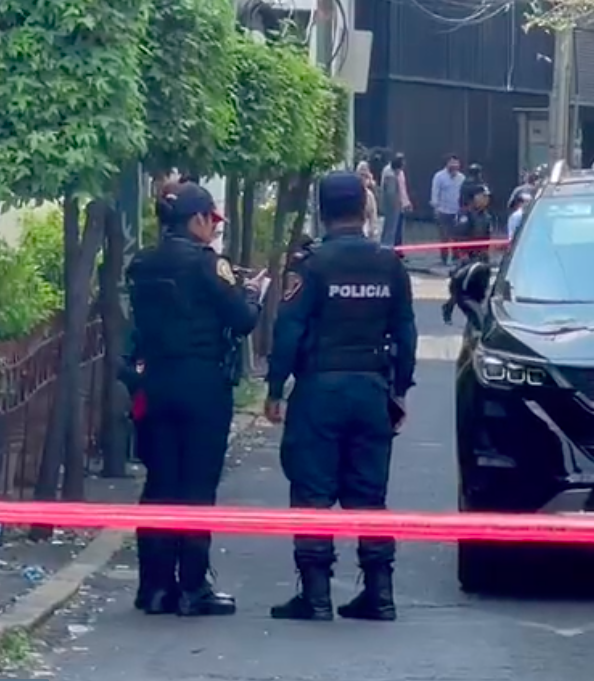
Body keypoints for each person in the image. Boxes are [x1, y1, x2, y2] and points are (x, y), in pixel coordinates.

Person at [266, 171, 417, 622]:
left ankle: (315, 597)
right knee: (369, 494)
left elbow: (288, 329)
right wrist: (400, 389)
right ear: (365, 209)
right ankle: (380, 592)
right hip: (372, 389)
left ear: (322, 211)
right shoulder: (389, 263)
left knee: (312, 493)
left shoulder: (311, 266)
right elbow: (406, 332)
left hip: (320, 390)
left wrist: (275, 388)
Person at [126, 181, 263, 616]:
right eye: (211, 220)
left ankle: (154, 587)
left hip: (156, 382)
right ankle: (192, 586)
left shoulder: (142, 263)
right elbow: (240, 320)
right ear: (198, 219)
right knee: (197, 485)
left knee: (160, 484)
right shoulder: (208, 265)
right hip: (202, 384)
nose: (214, 229)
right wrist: (253, 294)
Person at [430, 154, 465, 267]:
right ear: (447, 163)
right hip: (443, 211)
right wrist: (435, 208)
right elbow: (435, 193)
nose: (454, 165)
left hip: (457, 211)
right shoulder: (439, 176)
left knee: (457, 236)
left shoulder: (461, 178)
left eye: (456, 163)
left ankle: (456, 258)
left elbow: (463, 195)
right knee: (444, 236)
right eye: (452, 163)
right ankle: (444, 259)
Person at [456, 184, 495, 263]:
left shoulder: (487, 216)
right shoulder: (465, 213)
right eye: (483, 196)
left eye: (487, 197)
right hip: (468, 255)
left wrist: (485, 251)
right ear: (475, 197)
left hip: (482, 254)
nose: (487, 199)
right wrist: (463, 254)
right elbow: (461, 235)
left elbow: (487, 235)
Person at [380, 154, 412, 248]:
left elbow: (403, 188)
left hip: (400, 204)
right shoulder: (389, 174)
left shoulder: (400, 172)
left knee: (398, 229)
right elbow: (390, 192)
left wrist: (406, 202)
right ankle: (387, 247)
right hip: (392, 205)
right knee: (390, 227)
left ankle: (397, 249)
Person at [356, 161, 381, 242]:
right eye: (361, 175)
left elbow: (373, 214)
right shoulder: (357, 193)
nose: (362, 179)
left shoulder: (369, 194)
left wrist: (373, 229)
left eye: (364, 176)